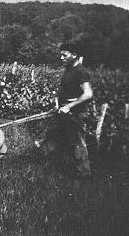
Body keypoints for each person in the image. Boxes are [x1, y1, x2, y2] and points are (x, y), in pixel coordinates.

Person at [44, 42, 93, 177]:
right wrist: (57, 103)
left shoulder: (81, 72)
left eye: (64, 55)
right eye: (60, 55)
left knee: (78, 143)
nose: (61, 58)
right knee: (60, 139)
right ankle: (65, 171)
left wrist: (69, 106)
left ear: (74, 55)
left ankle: (84, 175)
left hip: (77, 114)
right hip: (65, 112)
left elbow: (88, 94)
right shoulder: (68, 70)